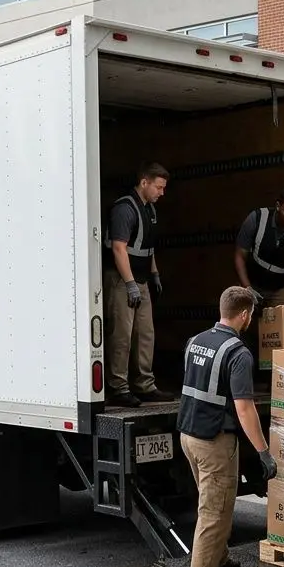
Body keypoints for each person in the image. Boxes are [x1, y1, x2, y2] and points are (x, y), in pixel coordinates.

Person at [177, 286, 279, 567]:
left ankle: (220, 560)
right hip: (214, 442)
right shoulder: (239, 353)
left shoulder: (195, 340)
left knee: (210, 504)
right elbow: (245, 408)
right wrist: (263, 452)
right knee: (214, 514)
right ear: (246, 315)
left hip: (188, 435)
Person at [104, 162, 173, 408]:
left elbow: (147, 247)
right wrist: (130, 283)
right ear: (144, 182)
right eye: (158, 187)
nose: (161, 193)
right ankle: (119, 387)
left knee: (145, 334)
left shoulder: (150, 209)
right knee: (122, 335)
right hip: (123, 280)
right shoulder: (125, 209)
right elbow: (119, 248)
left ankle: (144, 385)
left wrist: (154, 274)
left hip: (141, 278)